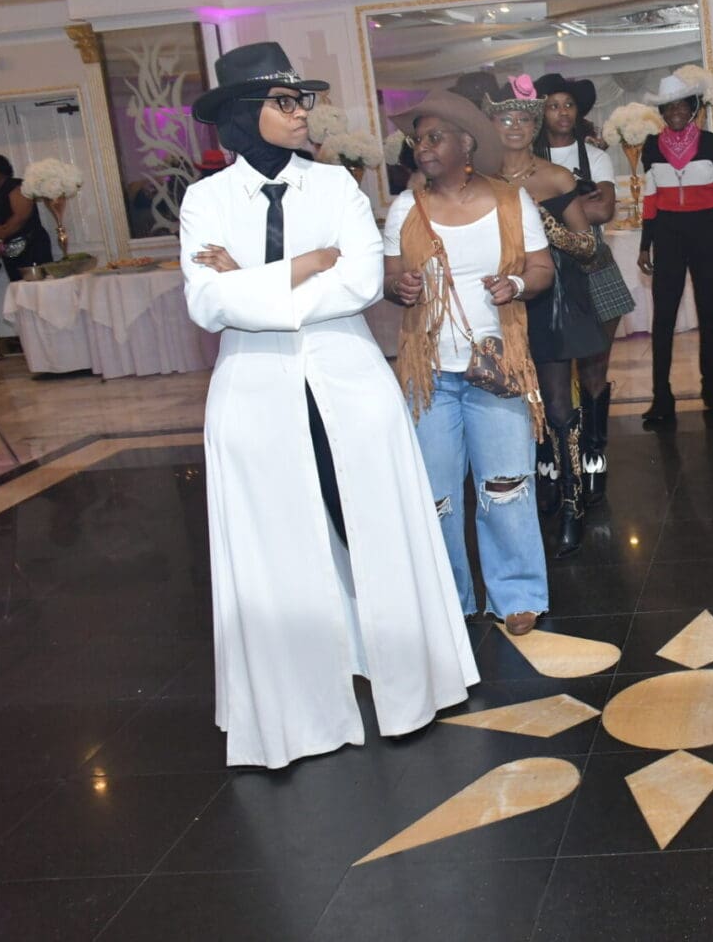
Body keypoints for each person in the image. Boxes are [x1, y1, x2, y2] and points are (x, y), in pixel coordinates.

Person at [180, 42, 479, 768]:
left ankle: (409, 685)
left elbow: (360, 285)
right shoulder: (204, 200)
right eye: (284, 102)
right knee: (278, 546)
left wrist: (253, 280)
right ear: (243, 113)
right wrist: (305, 266)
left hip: (349, 382)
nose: (301, 113)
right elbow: (207, 305)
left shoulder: (337, 186)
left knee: (374, 526)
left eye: (302, 100)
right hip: (253, 394)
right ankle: (300, 711)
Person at [383, 88, 557, 631]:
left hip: (498, 368)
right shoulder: (405, 208)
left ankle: (518, 593)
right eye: (418, 140)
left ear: (466, 144)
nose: (422, 147)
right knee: (435, 496)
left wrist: (516, 285)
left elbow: (542, 270)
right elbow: (389, 279)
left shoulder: (510, 201)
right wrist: (400, 288)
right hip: (429, 375)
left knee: (507, 485)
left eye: (435, 137)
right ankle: (448, 598)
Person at [487, 76, 605, 557]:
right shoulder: (481, 180)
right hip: (501, 301)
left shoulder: (556, 178)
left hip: (553, 297)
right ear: (492, 125)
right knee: (518, 402)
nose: (515, 126)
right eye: (505, 118)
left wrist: (545, 224)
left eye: (523, 118)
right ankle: (544, 483)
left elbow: (588, 247)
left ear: (535, 126)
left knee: (558, 405)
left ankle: (573, 503)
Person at [534, 71, 635, 503]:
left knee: (595, 367)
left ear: (578, 112)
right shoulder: (526, 158)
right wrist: (577, 204)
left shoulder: (595, 156)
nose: (562, 112)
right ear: (541, 112)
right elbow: (580, 210)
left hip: (593, 267)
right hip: (543, 270)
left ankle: (594, 452)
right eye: (553, 105)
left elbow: (604, 210)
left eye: (569, 105)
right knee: (544, 369)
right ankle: (551, 454)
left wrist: (545, 208)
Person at [636, 68, 713, 425]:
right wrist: (645, 246)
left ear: (693, 108)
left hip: (707, 236)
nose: (675, 112)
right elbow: (650, 201)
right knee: (662, 320)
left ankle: (710, 388)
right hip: (667, 239)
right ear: (662, 113)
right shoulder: (652, 147)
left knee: (709, 316)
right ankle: (661, 396)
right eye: (669, 107)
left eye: (682, 105)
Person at [0, 153, 54, 283]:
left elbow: (19, 219)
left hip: (32, 247)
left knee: (40, 288)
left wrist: (0, 232)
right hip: (11, 251)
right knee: (20, 289)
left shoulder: (16, 186)